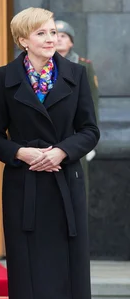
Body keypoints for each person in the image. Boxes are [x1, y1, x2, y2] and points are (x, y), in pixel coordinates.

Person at [0, 7, 99, 299]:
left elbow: (90, 130)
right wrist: (19, 153)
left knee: (69, 272)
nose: (51, 38)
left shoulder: (76, 75)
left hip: (65, 183)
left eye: (52, 32)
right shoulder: (3, 78)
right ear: (23, 40)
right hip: (24, 187)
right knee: (28, 273)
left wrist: (62, 151)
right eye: (41, 33)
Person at [55, 19, 99, 196]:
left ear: (71, 41)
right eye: (55, 35)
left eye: (63, 36)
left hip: (77, 134)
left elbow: (92, 103)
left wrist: (93, 140)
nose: (58, 39)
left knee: (78, 189)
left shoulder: (83, 65)